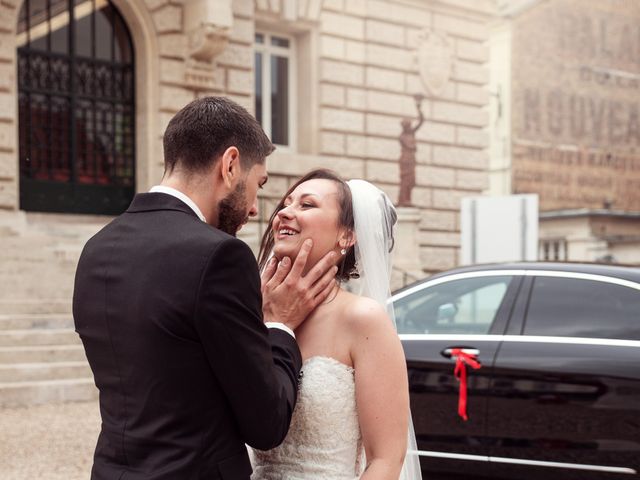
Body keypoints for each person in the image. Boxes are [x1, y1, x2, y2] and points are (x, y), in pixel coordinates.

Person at [73, 97, 337, 480]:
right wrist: (279, 324)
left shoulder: (97, 248)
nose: (252, 209)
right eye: (256, 185)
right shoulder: (220, 256)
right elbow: (267, 425)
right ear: (230, 165)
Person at [251, 169, 422, 479]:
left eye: (306, 205)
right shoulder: (255, 310)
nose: (285, 213)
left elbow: (386, 460)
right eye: (286, 204)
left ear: (347, 235)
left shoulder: (362, 320)